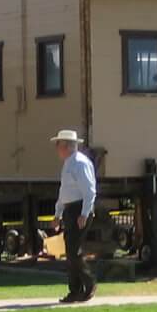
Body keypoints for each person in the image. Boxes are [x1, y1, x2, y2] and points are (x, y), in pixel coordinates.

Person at [53, 129, 97, 303]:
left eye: (58, 145)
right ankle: (75, 291)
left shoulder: (80, 163)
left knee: (73, 251)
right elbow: (64, 192)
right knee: (71, 252)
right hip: (71, 209)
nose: (57, 148)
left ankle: (88, 283)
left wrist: (84, 213)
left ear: (66, 146)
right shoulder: (68, 164)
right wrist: (58, 214)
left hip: (79, 209)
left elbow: (89, 191)